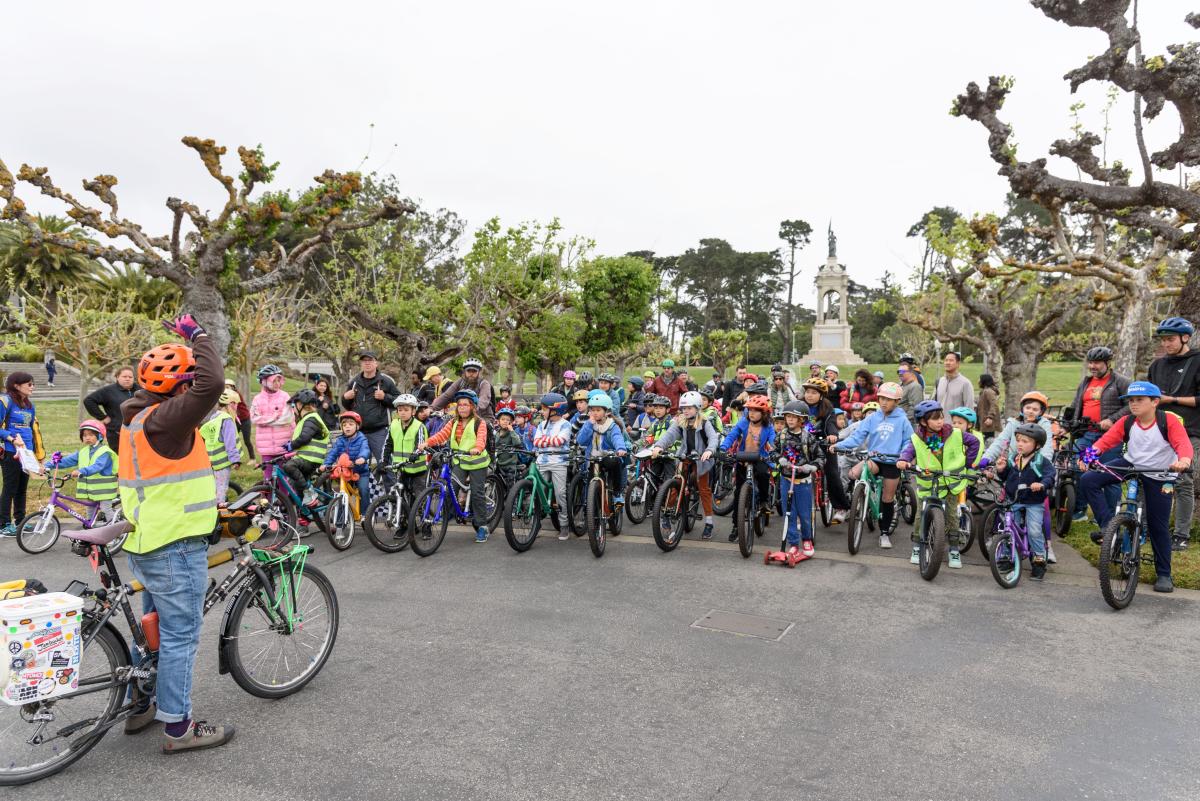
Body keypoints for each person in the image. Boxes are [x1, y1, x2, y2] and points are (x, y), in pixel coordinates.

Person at [118, 313, 232, 752]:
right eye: (188, 381)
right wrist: (198, 335)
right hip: (174, 547)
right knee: (181, 634)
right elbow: (213, 383)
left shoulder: (136, 416)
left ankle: (140, 705)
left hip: (147, 542)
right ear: (179, 388)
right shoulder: (166, 422)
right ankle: (178, 728)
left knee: (152, 630)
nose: (193, 388)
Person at [1079, 381, 1193, 592]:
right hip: (1131, 464)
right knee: (1089, 480)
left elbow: (1183, 445)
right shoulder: (1126, 421)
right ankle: (1107, 526)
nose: (1134, 404)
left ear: (1155, 402)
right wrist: (1086, 457)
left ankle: (1164, 574)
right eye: (1131, 400)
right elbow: (1104, 442)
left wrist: (1183, 461)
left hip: (1160, 473)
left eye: (1139, 400)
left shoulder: (1167, 420)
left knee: (1158, 525)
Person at [897, 400, 980, 569]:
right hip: (928, 484)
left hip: (951, 483)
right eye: (935, 419)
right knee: (921, 514)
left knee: (952, 516)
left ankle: (954, 549)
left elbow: (974, 443)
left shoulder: (954, 433)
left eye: (941, 417)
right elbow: (908, 451)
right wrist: (903, 460)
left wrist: (968, 463)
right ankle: (917, 546)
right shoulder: (917, 438)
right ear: (923, 422)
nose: (940, 421)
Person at [832, 382, 914, 550]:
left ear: (897, 401)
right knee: (854, 473)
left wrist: (904, 457)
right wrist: (840, 445)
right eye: (882, 398)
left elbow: (909, 442)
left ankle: (884, 533)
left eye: (889, 400)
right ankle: (861, 498)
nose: (884, 402)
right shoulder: (872, 417)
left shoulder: (902, 419)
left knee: (887, 498)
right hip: (874, 459)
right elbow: (857, 437)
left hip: (893, 462)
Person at [1145, 318, 1200, 549]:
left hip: (1190, 431)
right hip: (1159, 430)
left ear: (1185, 338)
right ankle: (1146, 528)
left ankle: (1181, 535)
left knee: (1184, 481)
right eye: (1163, 340)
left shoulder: (1197, 361)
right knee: (1150, 478)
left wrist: (1173, 400)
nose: (1166, 344)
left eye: (1171, 339)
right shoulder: (1156, 366)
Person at [1064, 346, 1130, 521]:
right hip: (1088, 435)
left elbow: (1133, 405)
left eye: (1097, 363)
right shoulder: (1085, 382)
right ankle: (1079, 510)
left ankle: (1109, 516)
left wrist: (1112, 420)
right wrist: (1068, 424)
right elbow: (1074, 405)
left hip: (1110, 437)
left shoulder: (1120, 381)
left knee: (1108, 473)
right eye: (1091, 362)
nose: (1093, 366)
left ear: (1107, 363)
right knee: (1080, 466)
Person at [418, 389, 492, 542]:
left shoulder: (479, 422)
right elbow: (441, 435)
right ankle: (450, 514)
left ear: (472, 407)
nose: (462, 407)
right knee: (451, 487)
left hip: (477, 462)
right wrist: (427, 442)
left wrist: (477, 449)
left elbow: (481, 439)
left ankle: (482, 526)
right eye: (459, 405)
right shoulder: (453, 422)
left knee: (477, 493)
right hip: (460, 460)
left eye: (466, 405)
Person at [650, 391, 719, 538]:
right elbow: (669, 435)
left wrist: (710, 450)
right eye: (683, 408)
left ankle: (709, 522)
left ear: (698, 407)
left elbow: (713, 439)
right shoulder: (680, 422)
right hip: (685, 457)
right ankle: (667, 514)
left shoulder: (705, 422)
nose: (685, 411)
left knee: (704, 489)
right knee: (676, 486)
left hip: (702, 459)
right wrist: (659, 446)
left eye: (689, 408)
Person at [994, 423, 1055, 580]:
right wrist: (1001, 470)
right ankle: (1009, 556)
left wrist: (1042, 484)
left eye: (1025, 441)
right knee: (1009, 528)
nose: (1020, 444)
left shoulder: (1041, 461)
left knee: (1034, 530)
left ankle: (1039, 560)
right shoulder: (1015, 458)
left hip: (1034, 501)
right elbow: (1008, 477)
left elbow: (1050, 476)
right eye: (1019, 440)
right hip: (1014, 499)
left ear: (1037, 445)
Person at [720, 394, 776, 542]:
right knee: (739, 494)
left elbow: (772, 441)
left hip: (760, 458)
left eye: (756, 410)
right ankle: (736, 526)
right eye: (750, 409)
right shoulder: (743, 423)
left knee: (764, 475)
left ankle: (764, 502)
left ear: (764, 413)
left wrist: (772, 450)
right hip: (743, 459)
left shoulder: (768, 427)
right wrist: (723, 448)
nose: (752, 413)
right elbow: (732, 436)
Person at [777, 399, 826, 557]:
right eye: (788, 416)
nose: (790, 419)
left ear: (802, 420)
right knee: (789, 513)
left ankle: (807, 539)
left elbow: (820, 457)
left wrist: (813, 467)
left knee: (805, 514)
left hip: (804, 482)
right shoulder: (782, 436)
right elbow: (772, 452)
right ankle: (793, 543)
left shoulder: (808, 438)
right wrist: (780, 459)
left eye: (794, 417)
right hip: (786, 480)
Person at [46, 419, 118, 523]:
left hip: (104, 490)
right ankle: (90, 529)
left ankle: (116, 531)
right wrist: (48, 465)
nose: (87, 437)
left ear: (100, 436)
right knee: (90, 509)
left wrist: (81, 471)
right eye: (84, 435)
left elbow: (97, 466)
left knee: (106, 509)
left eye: (91, 435)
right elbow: (67, 461)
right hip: (90, 490)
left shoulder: (104, 452)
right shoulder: (83, 452)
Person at [800, 378, 850, 523]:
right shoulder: (799, 405)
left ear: (821, 395)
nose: (809, 395)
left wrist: (833, 435)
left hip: (824, 443)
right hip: (803, 444)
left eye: (814, 392)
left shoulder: (828, 408)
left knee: (832, 473)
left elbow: (831, 424)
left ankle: (841, 507)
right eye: (808, 392)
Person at [0, 371, 40, 537]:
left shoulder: (29, 405)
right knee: (9, 488)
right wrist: (11, 438)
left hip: (26, 453)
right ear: (17, 385)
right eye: (29, 384)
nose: (32, 387)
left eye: (33, 384)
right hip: (10, 452)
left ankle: (20, 521)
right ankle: (4, 524)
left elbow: (31, 430)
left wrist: (34, 454)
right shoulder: (5, 401)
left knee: (21, 489)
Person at [576, 392, 630, 506]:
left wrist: (620, 449)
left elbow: (617, 438)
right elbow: (581, 440)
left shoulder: (612, 426)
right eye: (592, 410)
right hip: (592, 458)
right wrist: (589, 425)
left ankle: (617, 493)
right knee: (590, 485)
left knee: (615, 463)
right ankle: (590, 511)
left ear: (607, 412)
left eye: (598, 410)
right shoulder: (589, 424)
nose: (594, 413)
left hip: (607, 457)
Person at [531, 393, 573, 540]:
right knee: (536, 491)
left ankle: (564, 525)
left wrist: (545, 441)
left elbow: (560, 440)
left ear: (555, 410)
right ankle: (536, 522)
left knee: (560, 493)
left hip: (559, 462)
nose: (542, 412)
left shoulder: (566, 425)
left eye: (544, 409)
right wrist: (548, 441)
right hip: (542, 461)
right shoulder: (541, 424)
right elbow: (536, 442)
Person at [344, 351, 400, 459]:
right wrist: (345, 398)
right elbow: (348, 406)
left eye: (370, 360)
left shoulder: (386, 381)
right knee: (358, 466)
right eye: (364, 361)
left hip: (379, 431)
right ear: (361, 364)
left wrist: (385, 397)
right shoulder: (354, 381)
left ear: (376, 363)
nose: (367, 363)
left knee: (384, 464)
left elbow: (399, 401)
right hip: (358, 432)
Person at [280, 390, 330, 506]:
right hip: (306, 459)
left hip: (312, 460)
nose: (293, 408)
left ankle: (310, 493)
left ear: (300, 405)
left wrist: (291, 445)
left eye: (293, 405)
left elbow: (304, 438)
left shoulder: (311, 419)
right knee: (295, 485)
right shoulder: (306, 419)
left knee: (289, 466)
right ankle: (305, 514)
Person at [319, 411, 372, 510]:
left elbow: (365, 449)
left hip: (360, 471)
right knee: (342, 493)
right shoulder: (340, 440)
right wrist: (326, 464)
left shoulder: (362, 438)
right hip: (345, 472)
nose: (347, 427)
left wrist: (362, 458)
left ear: (357, 426)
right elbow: (333, 453)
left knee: (363, 490)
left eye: (351, 424)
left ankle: (365, 514)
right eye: (344, 424)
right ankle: (340, 518)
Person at [383, 394, 429, 499]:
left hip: (417, 470)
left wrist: (415, 454)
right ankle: (403, 514)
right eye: (400, 410)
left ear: (413, 411)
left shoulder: (419, 426)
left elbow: (420, 445)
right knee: (401, 496)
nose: (402, 412)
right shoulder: (394, 425)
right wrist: (384, 461)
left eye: (406, 410)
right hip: (401, 468)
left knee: (418, 497)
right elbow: (388, 445)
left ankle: (422, 514)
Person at [199, 390, 242, 502]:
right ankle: (219, 515)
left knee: (213, 488)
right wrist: (235, 460)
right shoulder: (227, 420)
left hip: (212, 461)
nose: (237, 407)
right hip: (222, 463)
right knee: (221, 489)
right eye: (236, 404)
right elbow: (230, 443)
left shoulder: (214, 418)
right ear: (231, 404)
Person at [251, 364, 293, 474]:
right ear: (264, 382)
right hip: (266, 447)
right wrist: (274, 417)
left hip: (284, 445)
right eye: (274, 381)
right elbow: (255, 419)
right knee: (268, 479)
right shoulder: (257, 399)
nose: (277, 384)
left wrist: (265, 421)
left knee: (284, 479)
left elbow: (287, 419)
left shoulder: (285, 396)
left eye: (279, 381)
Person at [84, 366, 137, 452]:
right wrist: (103, 417)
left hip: (138, 432)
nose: (127, 379)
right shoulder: (108, 391)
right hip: (117, 433)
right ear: (117, 377)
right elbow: (89, 401)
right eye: (124, 377)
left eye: (130, 377)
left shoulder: (141, 390)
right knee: (120, 458)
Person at [432, 358, 495, 423]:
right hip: (463, 416)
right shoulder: (460, 382)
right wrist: (431, 408)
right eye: (468, 371)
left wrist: (470, 410)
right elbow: (446, 396)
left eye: (474, 371)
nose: (471, 373)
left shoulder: (484, 383)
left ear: (479, 372)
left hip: (483, 417)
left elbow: (483, 401)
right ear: (465, 371)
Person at [492, 408, 528, 486]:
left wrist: (511, 431)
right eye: (502, 419)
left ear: (511, 422)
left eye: (507, 420)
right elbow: (494, 445)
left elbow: (517, 443)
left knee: (511, 485)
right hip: (499, 463)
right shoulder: (496, 433)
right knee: (498, 483)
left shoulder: (512, 433)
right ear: (498, 421)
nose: (505, 421)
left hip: (510, 465)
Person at [224, 378, 254, 461]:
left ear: (233, 387)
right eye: (225, 387)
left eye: (228, 387)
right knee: (231, 440)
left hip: (244, 419)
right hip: (235, 420)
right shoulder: (225, 395)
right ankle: (234, 458)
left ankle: (252, 458)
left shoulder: (235, 394)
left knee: (247, 440)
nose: (226, 389)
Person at [976, 373, 1001, 443]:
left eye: (980, 379)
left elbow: (994, 404)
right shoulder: (984, 392)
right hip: (984, 422)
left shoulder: (988, 391)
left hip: (988, 423)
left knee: (988, 442)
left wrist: (990, 417)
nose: (978, 381)